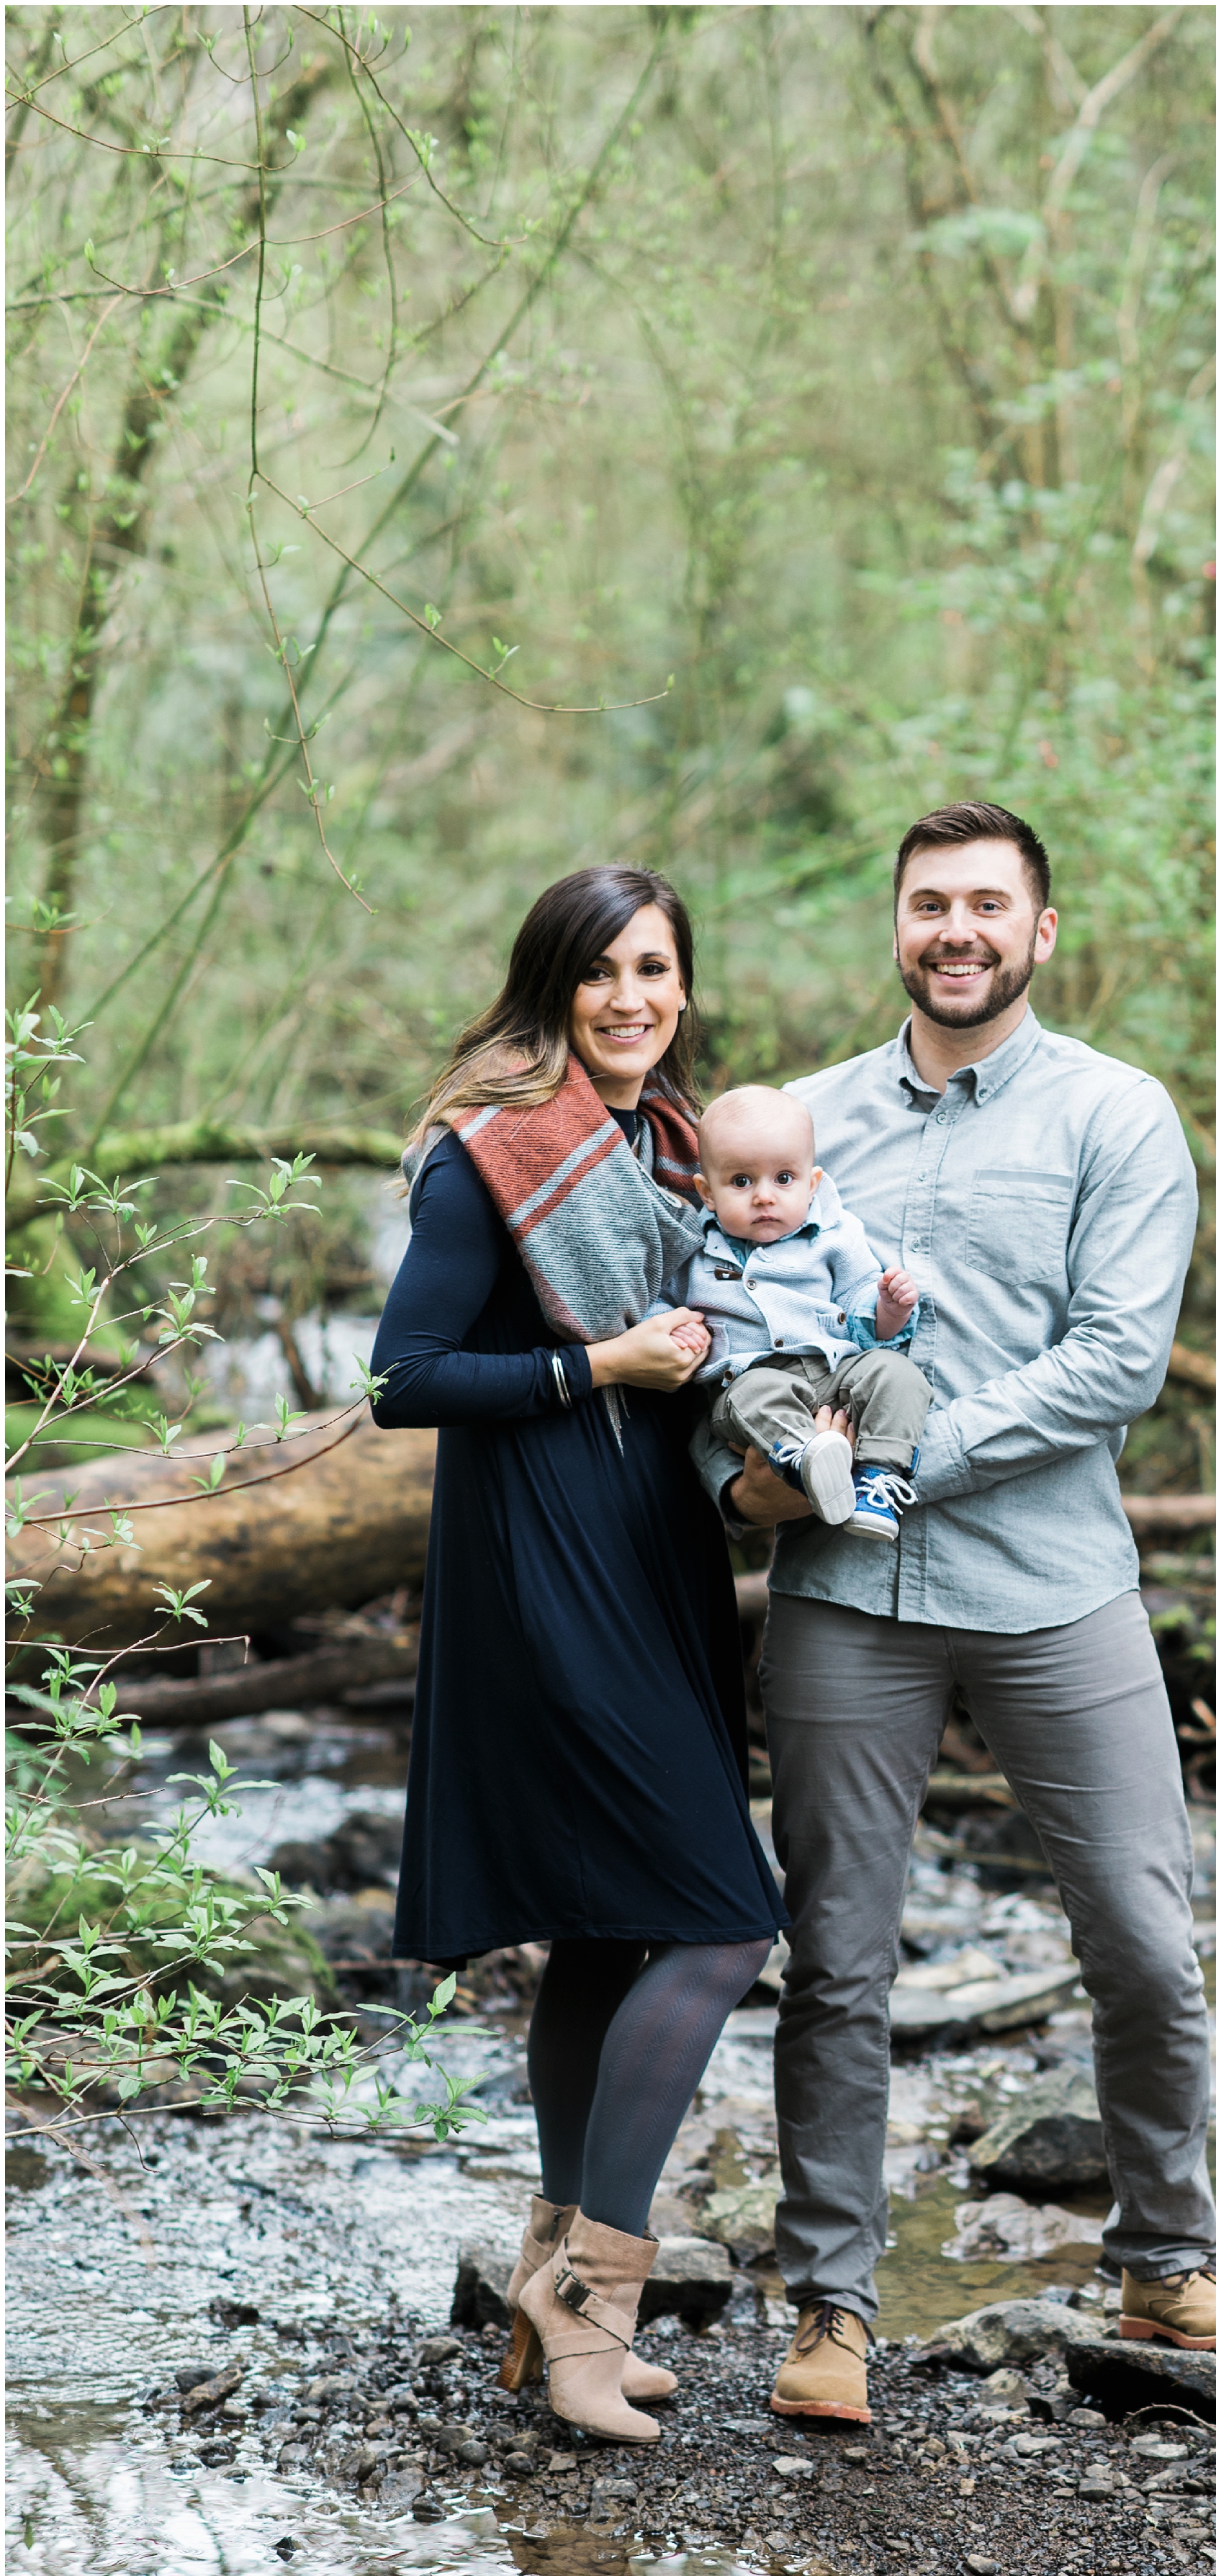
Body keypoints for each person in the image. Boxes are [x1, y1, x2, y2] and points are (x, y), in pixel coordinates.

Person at [703, 801, 1216, 2426]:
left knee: (1146, 1944)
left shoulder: (1118, 1114)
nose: (953, 931)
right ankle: (828, 2309)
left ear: (1039, 933)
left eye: (984, 907)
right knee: (833, 1962)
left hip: (1052, 1593)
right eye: (925, 906)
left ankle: (1165, 2255)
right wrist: (755, 1477)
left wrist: (887, 1460)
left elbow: (1116, 1362)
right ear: (893, 928)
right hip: (846, 1604)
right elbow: (721, 1323)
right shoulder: (799, 1125)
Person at [372, 863, 783, 2449]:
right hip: (544, 1562)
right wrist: (596, 1361)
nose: (632, 999)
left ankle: (550, 2269)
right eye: (602, 973)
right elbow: (406, 1379)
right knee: (721, 1918)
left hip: (652, 1552)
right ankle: (595, 2303)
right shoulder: (494, 1153)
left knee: (610, 1934)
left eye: (657, 971)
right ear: (550, 988)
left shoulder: (671, 1152)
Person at [657, 1082, 929, 1540]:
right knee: (755, 1393)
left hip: (835, 1372)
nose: (764, 1196)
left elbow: (862, 1310)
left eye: (784, 1179)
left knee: (896, 1372)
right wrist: (671, 1330)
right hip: (751, 1382)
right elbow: (655, 1301)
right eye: (741, 1182)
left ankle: (880, 1477)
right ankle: (806, 1460)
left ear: (812, 1183)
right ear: (707, 1191)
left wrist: (890, 1310)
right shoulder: (693, 1249)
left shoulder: (836, 1238)